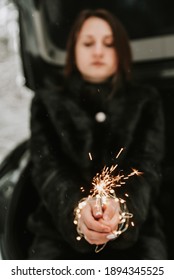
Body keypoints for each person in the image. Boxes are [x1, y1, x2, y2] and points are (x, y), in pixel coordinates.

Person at [27, 9, 167, 260]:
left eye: (109, 44)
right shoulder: (47, 102)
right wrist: (77, 212)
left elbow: (147, 166)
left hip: (138, 233)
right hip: (58, 233)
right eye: (88, 43)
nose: (98, 51)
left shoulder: (145, 101)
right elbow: (47, 168)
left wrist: (122, 210)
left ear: (121, 50)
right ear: (73, 50)